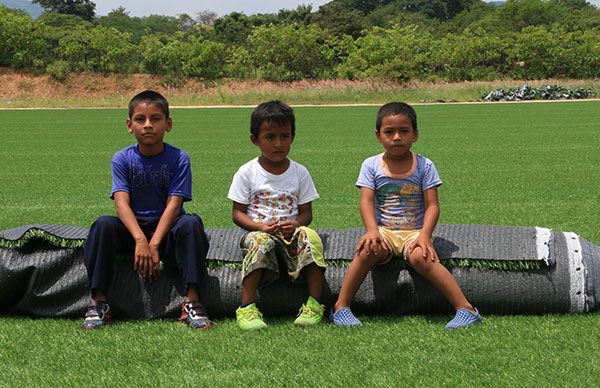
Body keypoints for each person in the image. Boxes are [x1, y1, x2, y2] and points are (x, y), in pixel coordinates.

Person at [330, 102, 481, 330]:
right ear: (378, 136)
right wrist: (372, 231)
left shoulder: (424, 165)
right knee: (367, 251)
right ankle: (341, 307)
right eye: (389, 132)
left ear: (415, 135)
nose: (397, 137)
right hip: (384, 231)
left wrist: (425, 236)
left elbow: (432, 206)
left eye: (404, 131)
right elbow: (366, 201)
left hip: (414, 232)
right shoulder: (371, 165)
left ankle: (466, 309)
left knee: (423, 258)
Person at [81, 90, 212, 330]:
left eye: (156, 118)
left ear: (168, 124)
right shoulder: (121, 159)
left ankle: (192, 301)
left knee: (192, 225)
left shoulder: (179, 158)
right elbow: (121, 202)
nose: (148, 125)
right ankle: (99, 301)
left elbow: (175, 204)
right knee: (102, 225)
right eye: (140, 119)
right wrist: (140, 239)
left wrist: (153, 245)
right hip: (133, 231)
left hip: (167, 229)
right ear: (129, 125)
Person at [227, 100, 326, 330]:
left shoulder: (299, 172)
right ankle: (247, 307)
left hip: (289, 234)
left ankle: (315, 303)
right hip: (258, 232)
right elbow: (237, 214)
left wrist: (296, 224)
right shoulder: (247, 172)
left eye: (284, 136)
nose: (278, 144)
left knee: (310, 236)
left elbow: (306, 214)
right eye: (270, 137)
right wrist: (259, 227)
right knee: (260, 242)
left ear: (293, 136)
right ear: (255, 139)